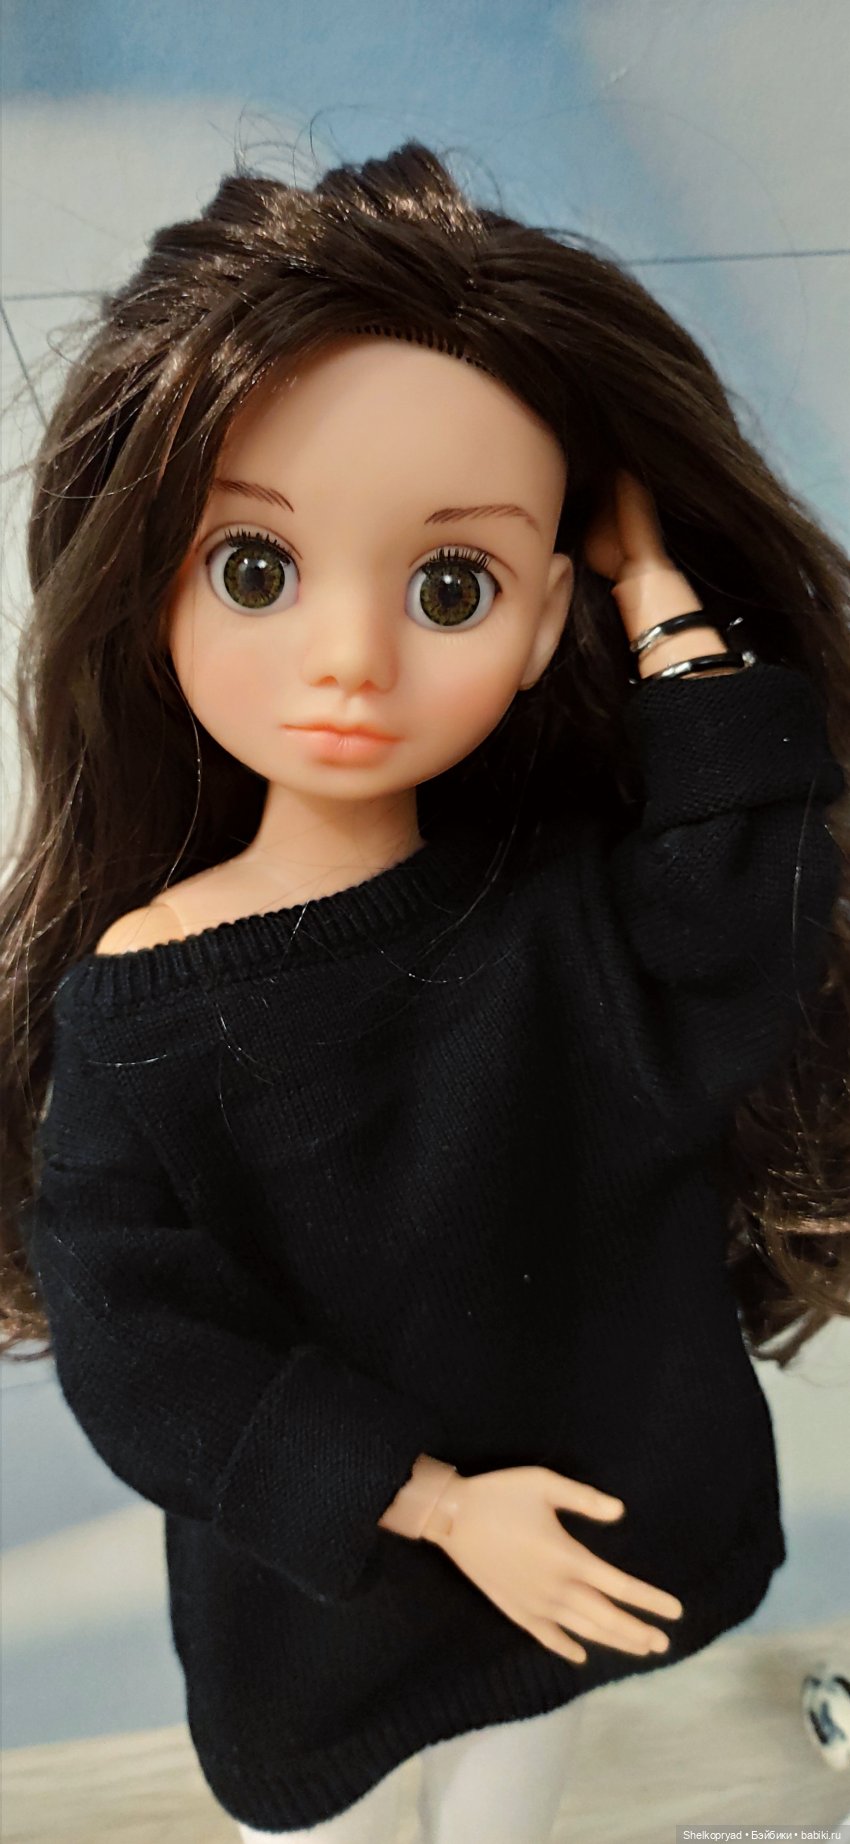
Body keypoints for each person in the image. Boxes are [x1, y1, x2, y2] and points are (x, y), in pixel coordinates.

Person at [2, 140, 849, 1841]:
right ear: (151, 582)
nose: (349, 660)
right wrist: (437, 1506)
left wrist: (658, 598)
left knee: (512, 1786)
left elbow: (735, 933)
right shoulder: (145, 1010)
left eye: (450, 588)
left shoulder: (551, 920)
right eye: (255, 569)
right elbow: (142, 1352)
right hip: (326, 1605)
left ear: (540, 627)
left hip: (575, 1549)